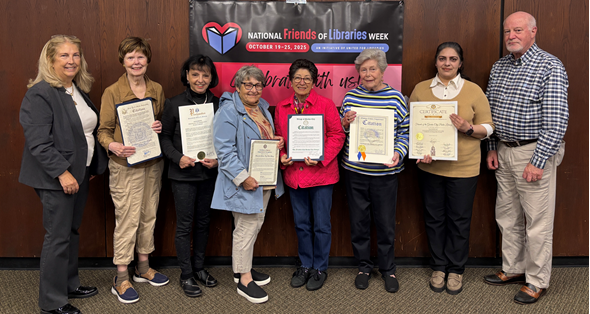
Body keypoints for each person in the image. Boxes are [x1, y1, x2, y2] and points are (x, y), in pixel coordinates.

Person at [483, 11, 568, 305]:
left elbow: (557, 121)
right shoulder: (499, 67)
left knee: (537, 222)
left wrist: (539, 159)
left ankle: (536, 280)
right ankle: (514, 268)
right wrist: (492, 146)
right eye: (507, 32)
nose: (511, 36)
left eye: (518, 30)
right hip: (504, 150)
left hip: (533, 152)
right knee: (506, 216)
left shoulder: (550, 66)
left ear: (533, 31)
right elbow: (489, 111)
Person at [19, 35, 108, 314]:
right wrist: (63, 174)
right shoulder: (41, 92)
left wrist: (88, 167)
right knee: (57, 237)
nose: (71, 61)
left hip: (79, 174)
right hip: (56, 177)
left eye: (76, 55)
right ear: (50, 60)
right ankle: (52, 301)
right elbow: (38, 143)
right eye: (64, 56)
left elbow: (83, 134)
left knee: (70, 232)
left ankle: (69, 284)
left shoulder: (76, 89)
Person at [409, 42, 494, 295]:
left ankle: (456, 270)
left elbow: (489, 127)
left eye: (453, 59)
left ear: (460, 63)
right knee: (434, 219)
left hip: (464, 168)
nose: (447, 63)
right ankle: (438, 267)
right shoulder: (421, 89)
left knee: (459, 220)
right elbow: (411, 125)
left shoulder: (473, 90)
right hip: (430, 168)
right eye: (443, 58)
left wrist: (469, 128)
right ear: (435, 62)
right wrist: (417, 148)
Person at [97, 37, 168, 304]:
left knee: (148, 215)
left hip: (152, 164)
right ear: (122, 61)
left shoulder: (157, 89)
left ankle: (143, 267)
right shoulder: (112, 92)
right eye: (130, 57)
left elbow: (157, 119)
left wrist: (158, 127)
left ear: (147, 60)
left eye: (140, 57)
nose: (136, 62)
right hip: (125, 167)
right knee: (127, 220)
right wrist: (113, 145)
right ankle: (121, 276)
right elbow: (102, 131)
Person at [211, 65, 285, 304]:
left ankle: (243, 268)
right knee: (246, 227)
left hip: (263, 179)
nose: (254, 89)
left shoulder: (261, 108)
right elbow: (224, 150)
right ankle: (244, 280)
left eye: (258, 85)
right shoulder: (228, 111)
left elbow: (262, 138)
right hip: (245, 182)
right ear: (238, 86)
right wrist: (243, 177)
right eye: (248, 85)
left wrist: (276, 142)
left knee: (254, 225)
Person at [340, 48, 409, 293]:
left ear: (382, 71)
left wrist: (399, 152)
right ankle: (364, 266)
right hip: (355, 172)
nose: (368, 74)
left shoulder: (397, 98)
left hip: (385, 175)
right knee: (359, 223)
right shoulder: (350, 97)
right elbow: (341, 132)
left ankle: (388, 268)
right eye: (363, 70)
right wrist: (345, 124)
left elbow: (405, 133)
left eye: (372, 69)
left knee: (385, 223)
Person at [274, 59, 345, 291]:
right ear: (290, 81)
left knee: (322, 225)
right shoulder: (281, 107)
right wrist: (283, 154)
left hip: (322, 175)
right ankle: (305, 264)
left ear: (314, 82)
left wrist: (322, 156)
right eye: (297, 78)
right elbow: (278, 138)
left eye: (307, 78)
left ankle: (320, 268)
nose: (302, 82)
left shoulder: (326, 105)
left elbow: (337, 135)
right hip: (295, 176)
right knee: (302, 224)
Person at [160, 55, 220, 297]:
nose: (200, 79)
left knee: (204, 223)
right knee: (185, 225)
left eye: (205, 75)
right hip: (183, 175)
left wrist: (218, 160)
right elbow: (163, 138)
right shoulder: (173, 103)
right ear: (186, 76)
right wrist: (178, 157)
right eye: (195, 74)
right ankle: (186, 275)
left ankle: (199, 268)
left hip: (208, 173)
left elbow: (225, 139)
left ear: (211, 78)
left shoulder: (218, 104)